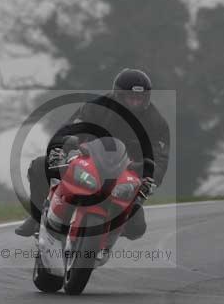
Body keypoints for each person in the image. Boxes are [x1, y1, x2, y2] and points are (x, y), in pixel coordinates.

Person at [15, 68, 170, 238]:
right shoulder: (97, 106)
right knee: (39, 166)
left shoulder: (157, 122)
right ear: (118, 95)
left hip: (127, 172)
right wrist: (60, 147)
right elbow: (72, 127)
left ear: (146, 97)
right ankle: (37, 216)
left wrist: (151, 177)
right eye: (130, 97)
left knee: (137, 228)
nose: (135, 102)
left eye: (139, 98)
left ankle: (112, 233)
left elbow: (160, 156)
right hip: (88, 160)